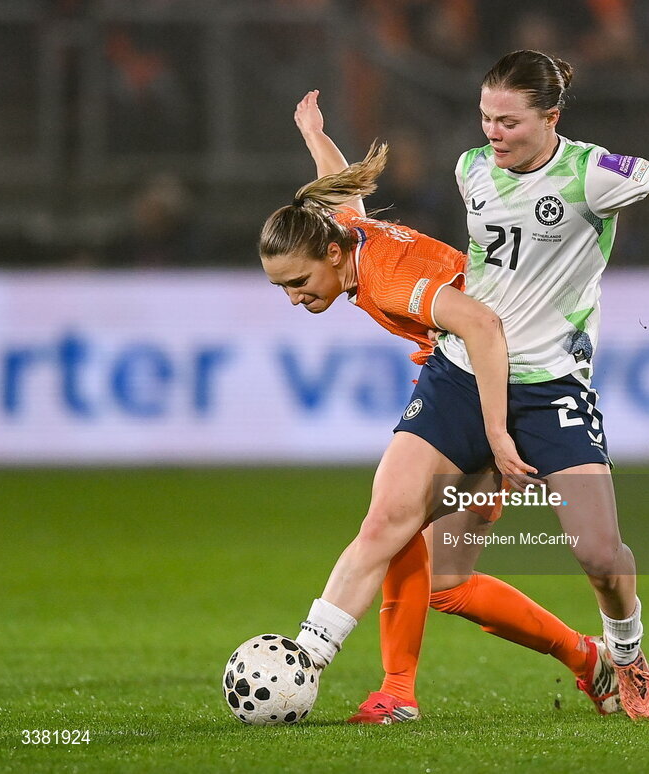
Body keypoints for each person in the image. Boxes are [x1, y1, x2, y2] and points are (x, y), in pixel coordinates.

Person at [299, 50, 649, 723]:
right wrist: (315, 135)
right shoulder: (471, 168)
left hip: (549, 388)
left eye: (507, 121)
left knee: (596, 553)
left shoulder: (591, 173)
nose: (491, 133)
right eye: (484, 118)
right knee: (400, 534)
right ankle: (340, 676)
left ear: (550, 117)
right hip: (460, 375)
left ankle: (623, 654)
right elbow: (346, 206)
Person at [265, 90, 624, 724]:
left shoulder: (389, 277)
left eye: (297, 283)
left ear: (328, 256)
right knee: (435, 570)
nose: (294, 298)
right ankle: (583, 661)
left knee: (407, 538)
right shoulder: (343, 237)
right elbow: (334, 193)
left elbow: (483, 326)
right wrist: (314, 134)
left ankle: (346, 675)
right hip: (462, 373)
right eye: (282, 288)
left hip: (507, 386)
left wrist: (494, 430)